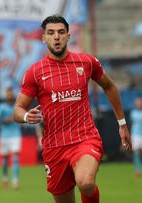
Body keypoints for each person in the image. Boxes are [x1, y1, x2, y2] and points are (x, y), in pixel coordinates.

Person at [13, 15, 132, 203]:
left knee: (85, 182)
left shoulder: (86, 62)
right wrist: (26, 116)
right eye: (51, 33)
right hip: (54, 146)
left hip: (84, 137)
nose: (56, 37)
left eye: (61, 32)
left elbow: (109, 86)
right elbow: (18, 109)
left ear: (68, 36)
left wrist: (122, 124)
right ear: (43, 38)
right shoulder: (35, 72)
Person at [0, 87, 22, 190]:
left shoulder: (17, 107)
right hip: (4, 135)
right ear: (6, 96)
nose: (9, 96)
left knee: (15, 158)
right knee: (5, 159)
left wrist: (21, 121)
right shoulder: (1, 107)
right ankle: (5, 178)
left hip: (15, 134)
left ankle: (15, 180)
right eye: (8, 94)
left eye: (11, 94)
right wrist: (5, 120)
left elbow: (22, 119)